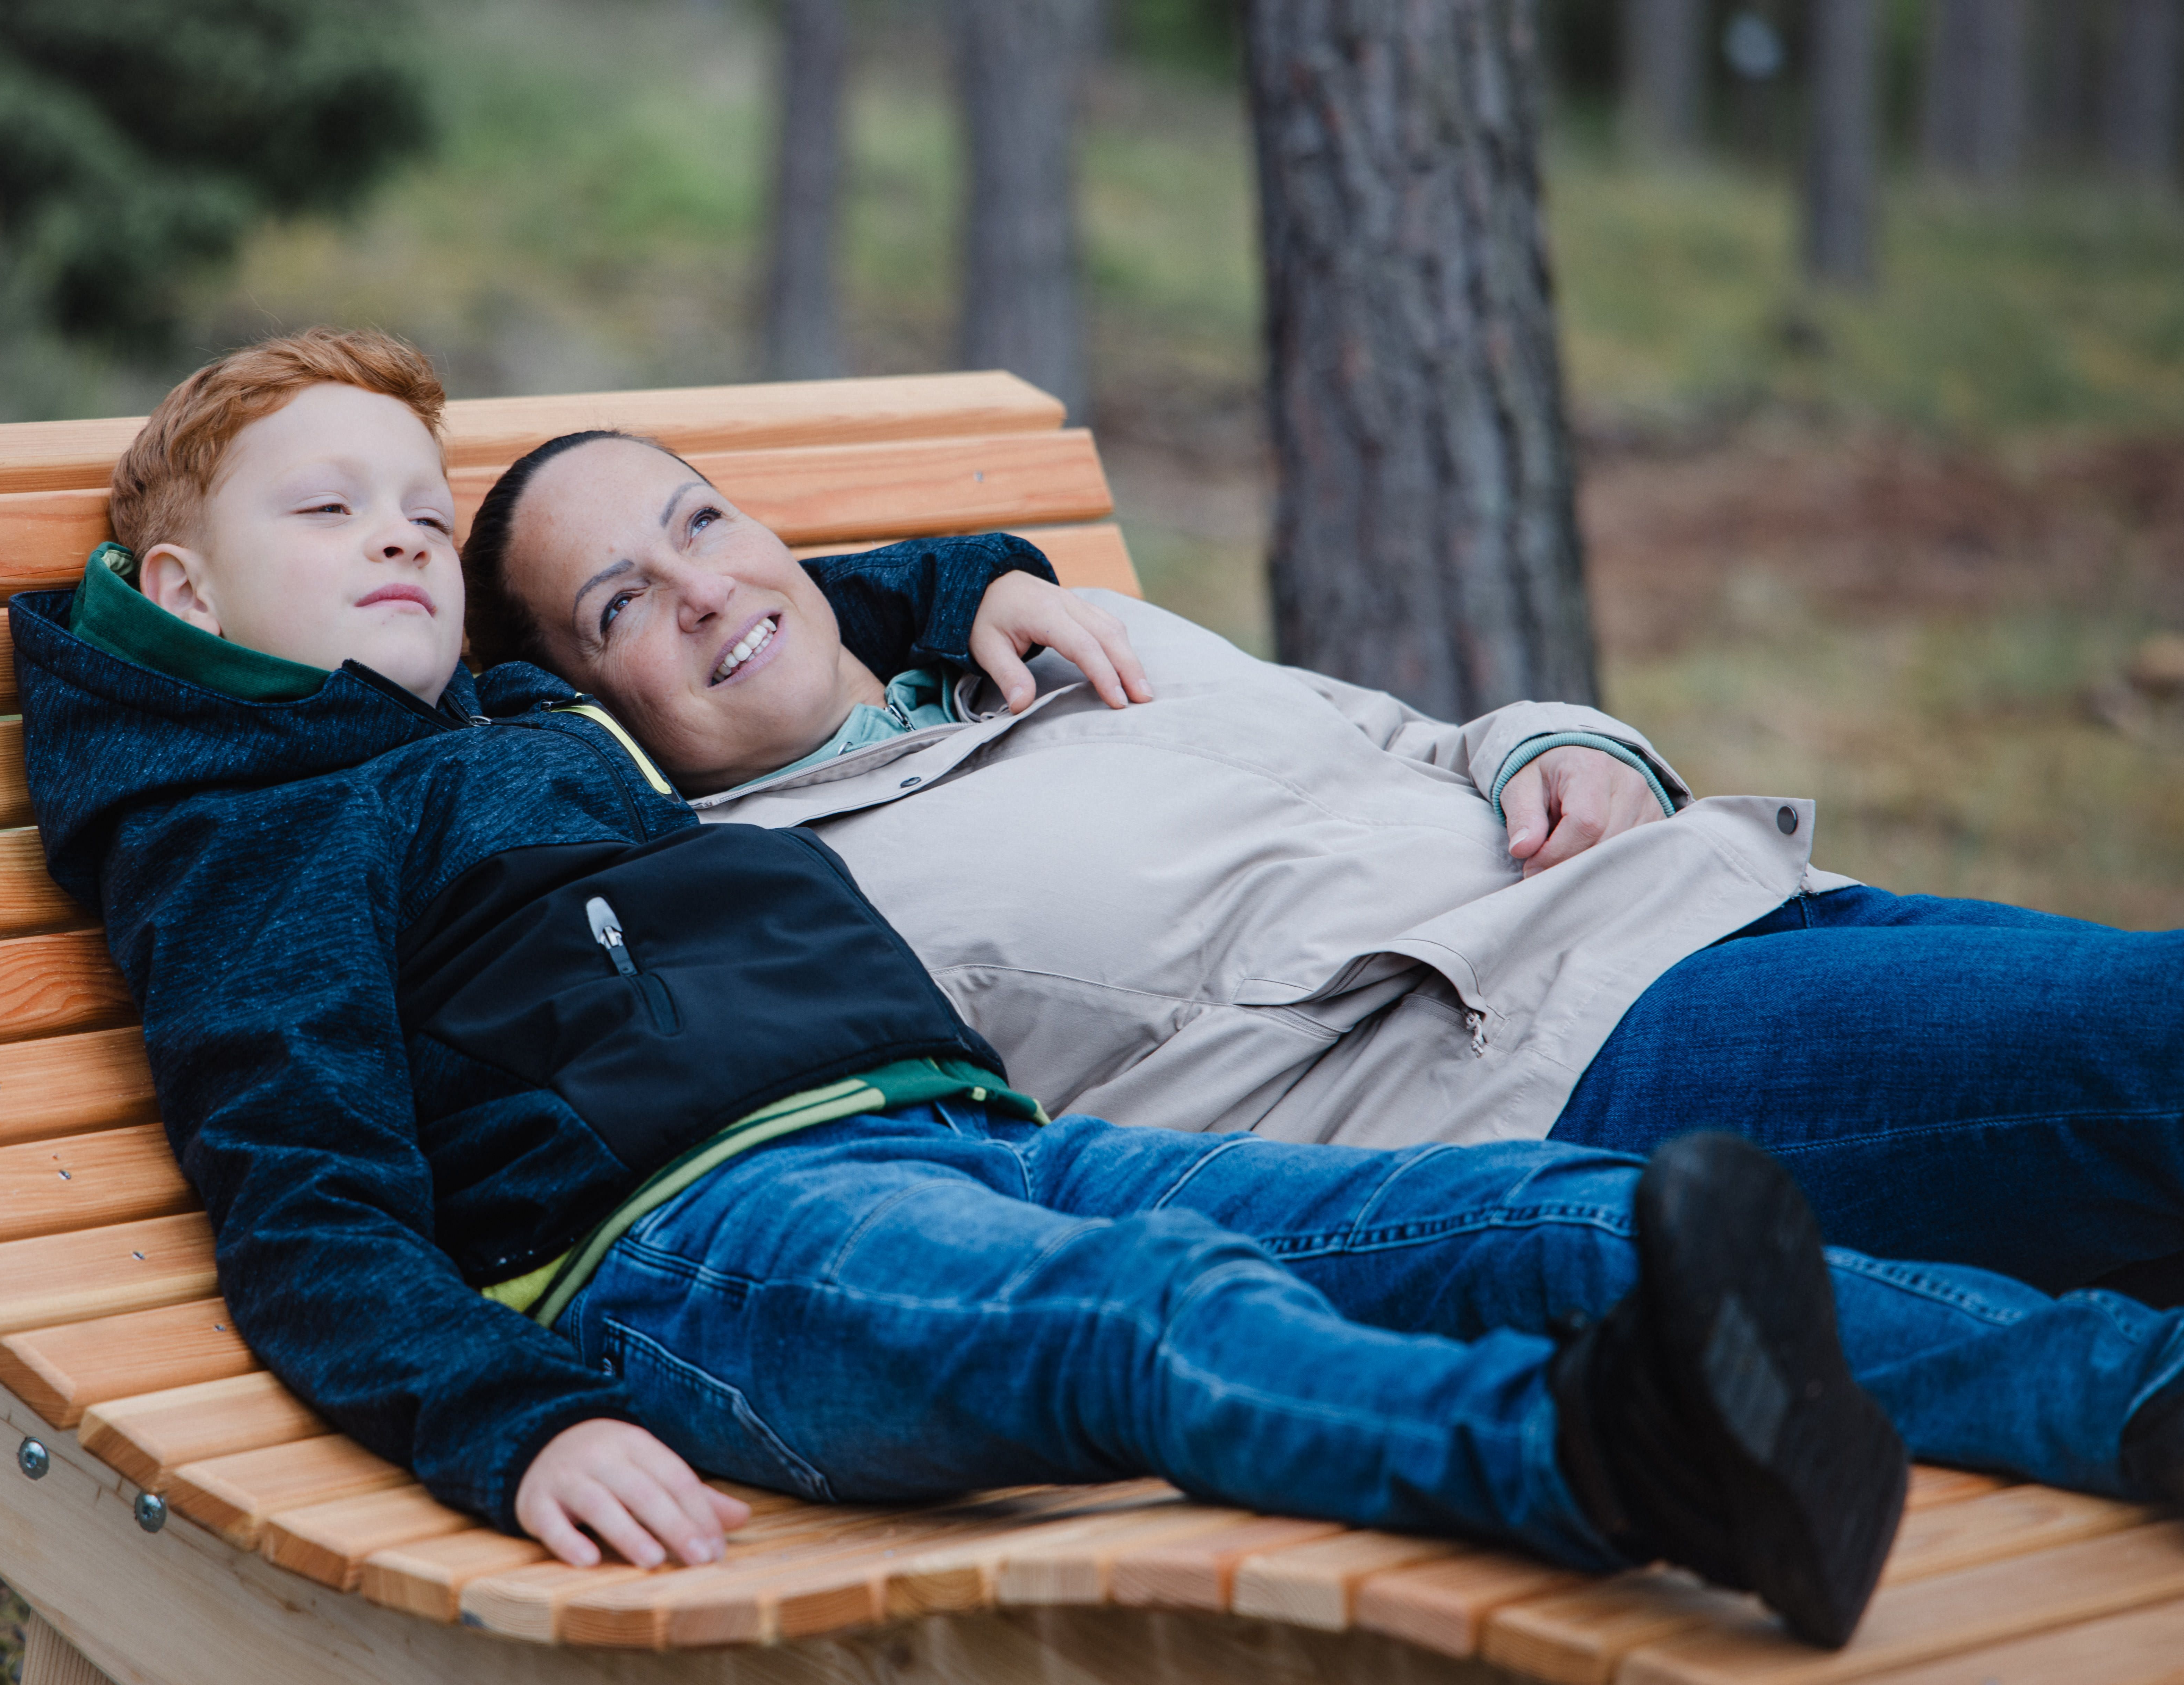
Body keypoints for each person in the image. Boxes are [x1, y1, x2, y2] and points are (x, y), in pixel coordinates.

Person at [13, 329, 2184, 1654]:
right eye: (335, 510)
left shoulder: (489, 729)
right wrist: (518, 1420)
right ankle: (1604, 1467)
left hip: (953, 1131)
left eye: (415, 499)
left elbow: (801, 611)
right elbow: (303, 1192)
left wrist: (987, 583)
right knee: (1143, 1322)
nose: (397, 533)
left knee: (1574, 1222)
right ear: (179, 589)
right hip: (690, 1251)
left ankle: (2123, 1390)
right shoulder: (257, 831)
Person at [462, 430, 2184, 1299]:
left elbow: (1409, 735)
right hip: (1541, 1073)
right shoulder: (752, 899)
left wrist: (1558, 743)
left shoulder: (1058, 635)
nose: (696, 586)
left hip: (1726, 897)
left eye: (697, 518)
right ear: (578, 696)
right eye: (620, 600)